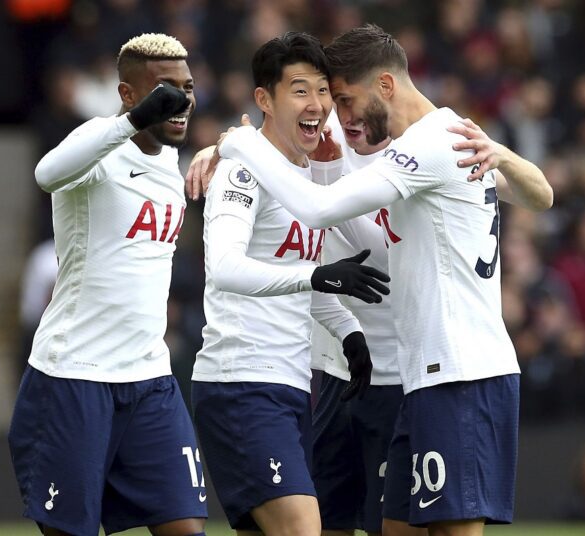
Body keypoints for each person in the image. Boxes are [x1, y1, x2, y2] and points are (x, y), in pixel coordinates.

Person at [218, 24, 553, 536]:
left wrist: (240, 144)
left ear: (386, 87)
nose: (340, 116)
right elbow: (541, 194)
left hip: (464, 371)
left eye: (346, 100)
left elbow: (318, 207)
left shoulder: (430, 144)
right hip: (423, 376)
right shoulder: (449, 138)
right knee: (395, 526)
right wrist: (500, 153)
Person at [8, 33, 208, 536]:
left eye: (188, 87)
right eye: (166, 89)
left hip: (149, 378)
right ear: (127, 95)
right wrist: (134, 122)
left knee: (187, 528)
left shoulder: (170, 162)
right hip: (75, 375)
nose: (181, 100)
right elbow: (45, 173)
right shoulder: (98, 141)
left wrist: (224, 146)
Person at [191, 32, 390, 536]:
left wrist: (348, 332)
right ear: (264, 99)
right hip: (241, 380)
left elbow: (299, 278)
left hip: (289, 382)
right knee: (304, 529)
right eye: (301, 90)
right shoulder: (240, 172)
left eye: (323, 91)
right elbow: (226, 269)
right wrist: (318, 274)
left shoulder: (300, 177)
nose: (318, 105)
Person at [308, 113, 425, 536]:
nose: (343, 112)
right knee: (326, 519)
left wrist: (326, 178)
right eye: (337, 98)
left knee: (390, 524)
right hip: (338, 370)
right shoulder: (320, 141)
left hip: (395, 376)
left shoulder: (416, 154)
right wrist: (221, 147)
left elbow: (380, 255)